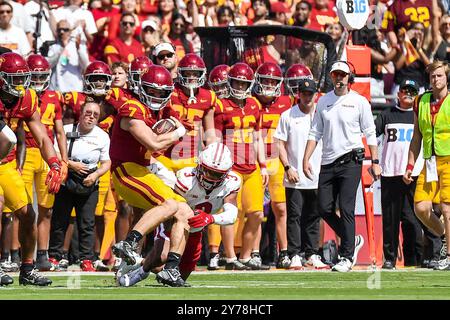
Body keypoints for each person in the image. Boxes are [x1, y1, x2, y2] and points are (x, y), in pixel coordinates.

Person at [110, 65, 194, 287]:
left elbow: (179, 121)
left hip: (145, 169)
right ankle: (129, 243)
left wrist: (176, 126)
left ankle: (171, 270)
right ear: (141, 88)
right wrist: (176, 133)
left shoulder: (161, 111)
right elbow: (153, 143)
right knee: (169, 204)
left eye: (161, 93)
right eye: (152, 91)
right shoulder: (131, 108)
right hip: (125, 170)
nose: (156, 96)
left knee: (185, 212)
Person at [118, 142, 241, 287]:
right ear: (200, 166)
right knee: (161, 258)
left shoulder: (232, 182)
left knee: (181, 276)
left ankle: (142, 263)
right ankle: (139, 272)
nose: (211, 178)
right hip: (174, 222)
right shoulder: (186, 178)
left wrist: (209, 218)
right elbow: (172, 208)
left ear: (226, 173)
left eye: (217, 174)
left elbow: (232, 215)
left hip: (196, 230)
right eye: (208, 171)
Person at [303, 60, 381, 272]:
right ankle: (352, 239)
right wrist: (306, 157)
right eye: (336, 75)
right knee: (324, 207)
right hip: (328, 160)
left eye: (343, 75)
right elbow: (315, 131)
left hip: (351, 160)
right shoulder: (323, 101)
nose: (339, 78)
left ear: (349, 78)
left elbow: (370, 132)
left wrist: (374, 161)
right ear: (331, 77)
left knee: (346, 207)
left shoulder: (359, 102)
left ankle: (346, 256)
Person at [0, 52, 64, 286]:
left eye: (22, 79)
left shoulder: (26, 98)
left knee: (29, 214)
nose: (19, 85)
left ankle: (27, 269)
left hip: (3, 163)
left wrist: (55, 163)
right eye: (13, 79)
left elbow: (44, 137)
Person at [214, 62, 269, 270]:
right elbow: (214, 139)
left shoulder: (254, 104)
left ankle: (245, 256)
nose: (239, 87)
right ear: (230, 83)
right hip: (231, 169)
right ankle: (229, 257)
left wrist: (262, 165)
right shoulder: (221, 105)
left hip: (252, 167)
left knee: (256, 213)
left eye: (243, 83)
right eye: (236, 83)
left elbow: (257, 137)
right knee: (231, 213)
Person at [48, 101, 111, 272]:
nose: (91, 117)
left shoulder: (102, 136)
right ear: (80, 113)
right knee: (60, 220)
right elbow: (53, 153)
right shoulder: (66, 130)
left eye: (95, 115)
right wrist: (70, 164)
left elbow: (106, 162)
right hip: (67, 178)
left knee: (87, 223)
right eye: (88, 112)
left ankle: (87, 259)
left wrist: (95, 175)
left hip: (89, 180)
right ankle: (54, 256)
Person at [275, 78, 329, 270]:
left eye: (310, 94)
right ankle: (294, 254)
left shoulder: (322, 115)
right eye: (304, 93)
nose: (307, 97)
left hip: (317, 174)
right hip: (295, 176)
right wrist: (288, 167)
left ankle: (312, 253)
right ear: (298, 94)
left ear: (316, 95)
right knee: (294, 216)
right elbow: (279, 143)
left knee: (314, 216)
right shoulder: (288, 115)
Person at [23, 54, 68, 272]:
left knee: (46, 209)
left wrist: (64, 160)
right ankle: (12, 254)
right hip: (26, 152)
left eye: (42, 76)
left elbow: (59, 132)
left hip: (47, 153)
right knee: (19, 208)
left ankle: (42, 254)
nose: (39, 80)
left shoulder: (53, 97)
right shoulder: (23, 95)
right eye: (35, 76)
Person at [403, 60, 450, 270]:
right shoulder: (420, 101)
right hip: (430, 160)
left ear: (446, 77)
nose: (435, 79)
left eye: (439, 75)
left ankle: (448, 255)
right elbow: (416, 136)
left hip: (448, 159)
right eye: (432, 76)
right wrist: (410, 165)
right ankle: (444, 237)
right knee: (421, 207)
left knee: (448, 209)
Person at [375, 79, 424, 269]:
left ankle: (414, 258)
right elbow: (373, 136)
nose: (408, 93)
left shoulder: (419, 116)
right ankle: (389, 259)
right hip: (390, 173)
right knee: (390, 221)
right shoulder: (387, 115)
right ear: (398, 93)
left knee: (413, 220)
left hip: (414, 174)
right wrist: (375, 162)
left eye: (412, 91)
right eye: (405, 90)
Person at [253, 62, 292, 269]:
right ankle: (254, 252)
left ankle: (284, 252)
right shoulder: (250, 102)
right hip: (255, 161)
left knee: (281, 209)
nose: (268, 84)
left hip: (278, 160)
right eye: (265, 80)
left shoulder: (287, 102)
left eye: (272, 81)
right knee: (255, 211)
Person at [156, 53, 216, 172]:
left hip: (192, 156)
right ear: (180, 73)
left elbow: (210, 132)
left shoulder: (209, 96)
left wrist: (211, 153)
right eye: (187, 73)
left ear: (202, 74)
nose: (191, 77)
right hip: (166, 154)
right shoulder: (169, 92)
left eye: (195, 73)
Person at [47, 19, 90, 93]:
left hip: (75, 90)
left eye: (65, 30)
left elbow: (85, 65)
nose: (62, 32)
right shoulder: (53, 46)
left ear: (71, 31)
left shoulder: (77, 45)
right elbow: (49, 65)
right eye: (59, 29)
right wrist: (62, 48)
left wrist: (78, 49)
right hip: (56, 90)